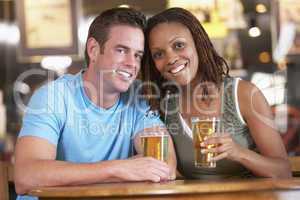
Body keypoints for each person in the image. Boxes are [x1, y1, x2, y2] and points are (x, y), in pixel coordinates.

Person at [14, 7, 177, 199]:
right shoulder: (53, 97)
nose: (132, 63)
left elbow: (164, 166)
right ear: (93, 50)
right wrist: (118, 169)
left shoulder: (139, 97)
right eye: (121, 50)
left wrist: (124, 171)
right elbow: (26, 177)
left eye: (137, 55)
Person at [141, 7, 291, 179]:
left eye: (179, 45)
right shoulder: (163, 107)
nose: (171, 59)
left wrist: (238, 152)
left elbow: (282, 171)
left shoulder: (244, 94)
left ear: (198, 43)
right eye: (159, 54)